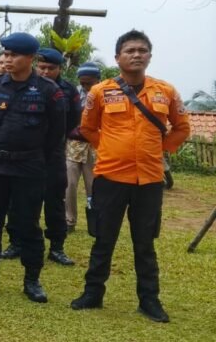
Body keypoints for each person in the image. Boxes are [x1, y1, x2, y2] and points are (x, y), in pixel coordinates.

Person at [71, 30, 190, 322]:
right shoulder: (100, 92)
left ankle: (149, 300)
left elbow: (182, 127)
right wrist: (110, 148)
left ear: (149, 55)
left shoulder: (166, 91)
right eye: (130, 50)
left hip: (149, 179)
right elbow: (87, 128)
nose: (136, 55)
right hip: (110, 177)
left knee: (145, 242)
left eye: (142, 50)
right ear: (117, 58)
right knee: (103, 239)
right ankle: (93, 293)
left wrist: (158, 150)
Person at [0, 32, 65, 303]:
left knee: (28, 225)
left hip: (29, 167)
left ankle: (32, 280)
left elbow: (55, 134)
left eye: (14, 55)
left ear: (31, 59)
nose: (8, 59)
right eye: (6, 54)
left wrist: (37, 161)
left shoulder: (50, 91)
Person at [34, 47, 81, 265]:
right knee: (24, 201)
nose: (44, 72)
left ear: (60, 68)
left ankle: (56, 247)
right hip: (27, 153)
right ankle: (18, 242)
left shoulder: (69, 90)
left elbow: (72, 120)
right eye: (41, 67)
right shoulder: (26, 83)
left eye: (50, 68)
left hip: (53, 153)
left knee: (54, 201)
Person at [65, 64, 101, 231]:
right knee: (70, 184)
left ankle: (94, 222)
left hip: (95, 146)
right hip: (73, 144)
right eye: (83, 83)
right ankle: (69, 221)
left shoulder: (104, 94)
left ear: (97, 80)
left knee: (93, 186)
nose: (86, 87)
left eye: (89, 83)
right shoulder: (73, 94)